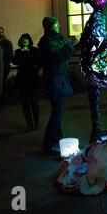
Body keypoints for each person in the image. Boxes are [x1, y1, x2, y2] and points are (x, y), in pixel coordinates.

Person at [38, 17, 80, 154]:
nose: (59, 25)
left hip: (59, 79)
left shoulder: (57, 39)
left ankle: (56, 138)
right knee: (57, 111)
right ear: (51, 26)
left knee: (58, 110)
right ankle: (49, 143)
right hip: (54, 80)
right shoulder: (47, 42)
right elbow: (60, 56)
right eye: (57, 24)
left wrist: (78, 43)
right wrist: (72, 43)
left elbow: (69, 51)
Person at [13, 33, 41, 133]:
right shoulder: (18, 51)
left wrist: (28, 53)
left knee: (34, 102)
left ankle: (36, 122)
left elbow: (38, 62)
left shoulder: (34, 50)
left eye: (26, 39)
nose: (24, 40)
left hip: (32, 79)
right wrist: (21, 53)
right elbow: (15, 62)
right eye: (22, 39)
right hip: (22, 79)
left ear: (29, 40)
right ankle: (29, 124)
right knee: (25, 103)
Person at [0, 26, 14, 103]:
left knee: (2, 83)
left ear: (3, 33)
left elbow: (9, 55)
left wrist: (5, 64)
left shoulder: (7, 42)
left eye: (1, 32)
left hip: (4, 66)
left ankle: (1, 100)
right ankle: (0, 99)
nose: (0, 34)